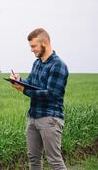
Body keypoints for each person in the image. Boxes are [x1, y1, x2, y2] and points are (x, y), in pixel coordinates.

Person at [10, 28, 68, 170]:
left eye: (34, 46)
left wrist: (24, 89)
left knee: (54, 160)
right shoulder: (37, 63)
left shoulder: (58, 65)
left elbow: (51, 94)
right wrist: (20, 80)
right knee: (33, 158)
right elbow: (31, 83)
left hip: (50, 118)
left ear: (45, 43)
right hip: (33, 116)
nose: (32, 50)